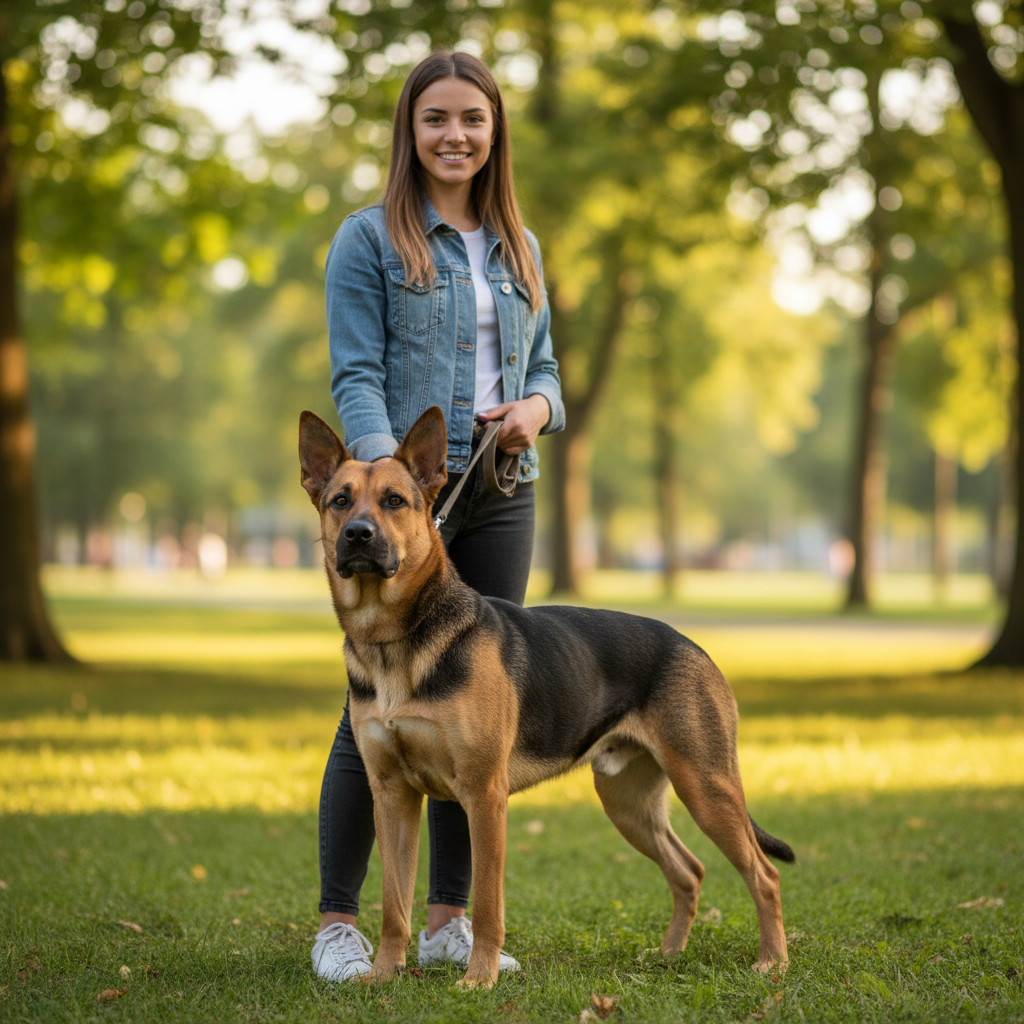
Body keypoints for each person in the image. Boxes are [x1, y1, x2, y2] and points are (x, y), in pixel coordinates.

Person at [311, 49, 565, 983]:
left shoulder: (519, 245)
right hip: (405, 497)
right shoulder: (368, 239)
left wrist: (535, 410)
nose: (454, 135)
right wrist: (394, 493)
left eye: (472, 119)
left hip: (501, 494)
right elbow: (356, 372)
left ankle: (452, 920)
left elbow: (545, 371)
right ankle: (340, 924)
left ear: (494, 132)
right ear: (410, 132)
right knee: (375, 709)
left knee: (475, 717)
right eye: (436, 119)